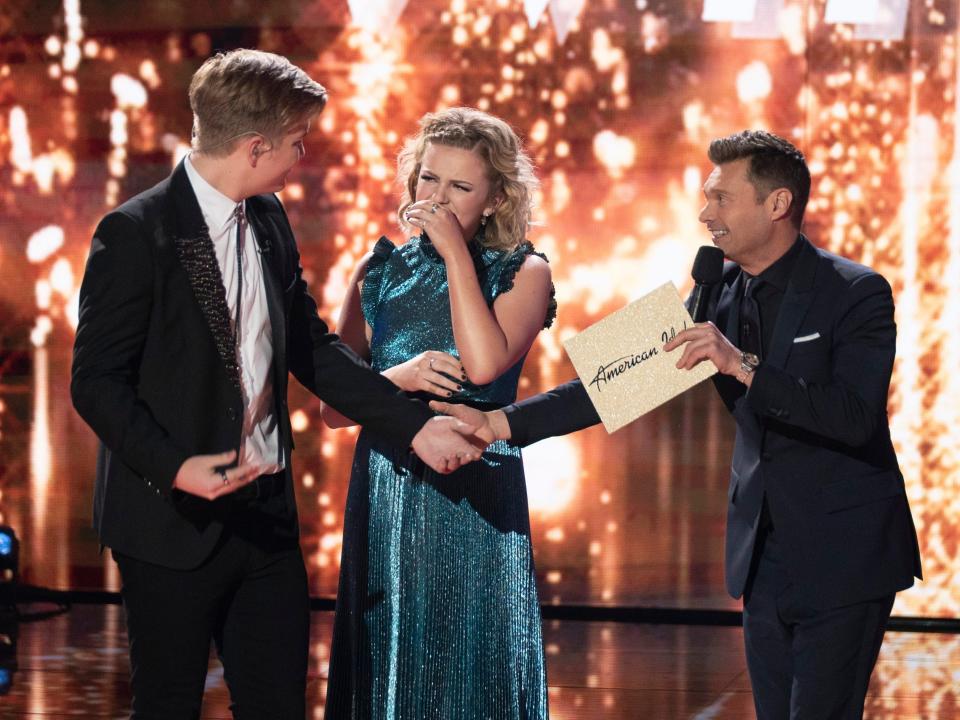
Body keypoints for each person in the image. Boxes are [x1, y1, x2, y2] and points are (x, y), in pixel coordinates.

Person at [434, 130, 922, 719]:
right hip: (763, 554)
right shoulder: (714, 291)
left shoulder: (855, 291)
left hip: (845, 552)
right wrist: (498, 423)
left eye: (721, 199)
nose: (704, 214)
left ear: (778, 204)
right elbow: (611, 382)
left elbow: (854, 417)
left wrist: (742, 366)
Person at [70, 49, 479, 720]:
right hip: (170, 522)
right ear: (257, 147)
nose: (304, 156)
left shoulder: (267, 220)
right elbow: (95, 382)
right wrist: (176, 468)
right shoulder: (136, 234)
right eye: (297, 141)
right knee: (167, 704)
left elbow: (312, 351)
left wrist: (414, 426)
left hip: (263, 520)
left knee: (277, 704)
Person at [319, 107, 556, 719]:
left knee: (465, 657)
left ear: (496, 196)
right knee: (389, 653)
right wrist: (393, 381)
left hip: (476, 485)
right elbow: (332, 411)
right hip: (387, 486)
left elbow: (483, 367)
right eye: (428, 179)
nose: (438, 198)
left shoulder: (524, 272)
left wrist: (455, 257)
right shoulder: (377, 271)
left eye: (460, 187)